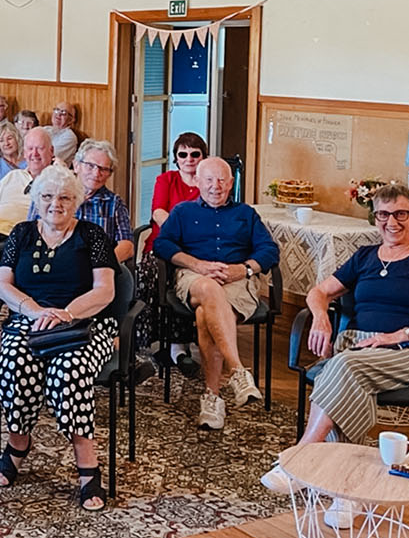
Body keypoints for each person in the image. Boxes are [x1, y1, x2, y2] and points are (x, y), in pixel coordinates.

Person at [263, 184, 409, 495]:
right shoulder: (365, 256)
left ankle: (299, 458)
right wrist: (320, 319)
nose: (391, 222)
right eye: (383, 214)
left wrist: (398, 335)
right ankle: (348, 495)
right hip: (359, 348)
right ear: (375, 218)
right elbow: (319, 292)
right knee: (348, 375)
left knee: (340, 367)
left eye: (400, 214)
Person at [0, 165, 118, 510]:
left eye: (64, 197)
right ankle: (18, 444)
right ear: (36, 200)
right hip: (31, 320)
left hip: (85, 324)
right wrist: (33, 310)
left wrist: (67, 313)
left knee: (70, 370)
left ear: (75, 201)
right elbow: (3, 284)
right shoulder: (21, 233)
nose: (55, 204)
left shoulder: (92, 236)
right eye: (47, 196)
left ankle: (87, 463)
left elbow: (105, 291)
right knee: (15, 362)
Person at [153, 157, 278, 430]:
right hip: (194, 277)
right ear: (197, 182)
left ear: (231, 183)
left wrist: (242, 270)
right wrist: (196, 264)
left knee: (204, 316)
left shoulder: (246, 214)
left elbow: (269, 251)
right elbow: (162, 245)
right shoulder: (183, 212)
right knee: (208, 288)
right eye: (208, 179)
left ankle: (212, 398)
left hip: (236, 281)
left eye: (222, 179)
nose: (215, 186)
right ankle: (237, 371)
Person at [137, 133, 207, 378]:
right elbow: (158, 212)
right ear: (176, 158)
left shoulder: (210, 182)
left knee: (187, 279)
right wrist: (182, 232)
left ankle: (180, 345)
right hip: (163, 243)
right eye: (183, 154)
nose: (189, 159)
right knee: (154, 272)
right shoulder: (166, 179)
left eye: (195, 154)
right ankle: (149, 341)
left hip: (196, 250)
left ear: (203, 157)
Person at [0, 127, 54, 236]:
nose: (34, 154)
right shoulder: (14, 175)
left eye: (40, 148)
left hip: (17, 238)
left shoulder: (58, 182)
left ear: (51, 151)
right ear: (25, 153)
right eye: (30, 149)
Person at [70, 140, 134, 264]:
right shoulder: (55, 197)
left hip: (100, 272)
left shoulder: (114, 203)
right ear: (76, 165)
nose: (96, 173)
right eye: (90, 166)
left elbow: (127, 246)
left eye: (103, 169)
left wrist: (102, 265)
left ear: (109, 174)